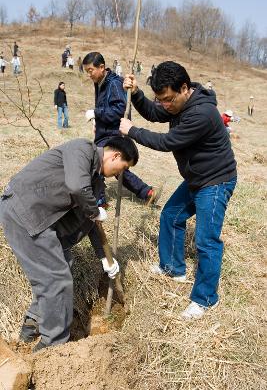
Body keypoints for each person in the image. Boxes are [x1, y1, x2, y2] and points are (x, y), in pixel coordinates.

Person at [120, 61, 237, 319]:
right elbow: (153, 112)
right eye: (161, 99)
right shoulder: (177, 103)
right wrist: (137, 93)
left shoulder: (202, 114)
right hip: (196, 178)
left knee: (207, 240)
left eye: (168, 99)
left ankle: (206, 299)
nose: (165, 105)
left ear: (185, 88)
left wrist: (132, 131)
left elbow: (167, 141)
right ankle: (174, 268)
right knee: (171, 216)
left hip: (215, 181)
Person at [0, 136, 139, 352]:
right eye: (122, 168)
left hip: (41, 219)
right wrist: (94, 210)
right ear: (115, 155)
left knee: (64, 265)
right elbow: (76, 188)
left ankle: (33, 324)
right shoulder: (82, 150)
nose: (119, 175)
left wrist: (104, 257)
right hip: (25, 211)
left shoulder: (96, 181)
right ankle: (52, 346)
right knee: (57, 278)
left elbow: (93, 223)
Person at [82, 51, 157, 206]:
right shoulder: (99, 82)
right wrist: (98, 120)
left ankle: (99, 200)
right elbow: (105, 107)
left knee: (99, 161)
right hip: (106, 130)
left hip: (114, 132)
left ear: (101, 67)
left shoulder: (114, 83)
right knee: (117, 169)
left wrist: (96, 112)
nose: (89, 74)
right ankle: (146, 192)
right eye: (87, 71)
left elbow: (120, 110)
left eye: (90, 70)